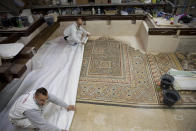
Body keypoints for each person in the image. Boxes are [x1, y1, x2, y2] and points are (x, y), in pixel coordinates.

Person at [9, 87, 75, 131]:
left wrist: (67, 106)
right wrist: (59, 130)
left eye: (45, 99)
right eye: (41, 100)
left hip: (19, 107)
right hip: (17, 119)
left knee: (43, 106)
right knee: (36, 124)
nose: (44, 102)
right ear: (35, 96)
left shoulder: (39, 93)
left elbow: (54, 99)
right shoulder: (30, 110)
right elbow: (43, 124)